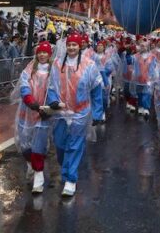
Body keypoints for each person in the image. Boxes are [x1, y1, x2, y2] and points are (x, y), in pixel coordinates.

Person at [49, 31, 103, 196]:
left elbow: (96, 89)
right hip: (60, 113)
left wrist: (97, 113)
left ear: (80, 46)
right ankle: (65, 168)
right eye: (70, 44)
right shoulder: (58, 64)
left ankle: (70, 180)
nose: (72, 47)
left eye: (75, 45)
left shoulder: (89, 65)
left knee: (74, 146)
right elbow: (51, 87)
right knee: (59, 145)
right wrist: (53, 101)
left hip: (80, 113)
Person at [19, 41, 59, 194]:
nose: (42, 55)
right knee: (25, 145)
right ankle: (31, 164)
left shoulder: (53, 71)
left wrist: (52, 103)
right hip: (28, 112)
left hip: (43, 113)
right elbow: (24, 86)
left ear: (49, 54)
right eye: (40, 52)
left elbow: (54, 89)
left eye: (45, 52)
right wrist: (30, 101)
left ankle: (38, 175)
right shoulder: (29, 70)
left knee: (38, 146)